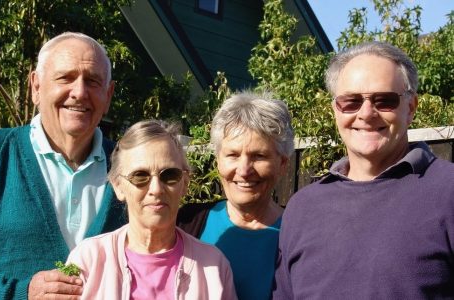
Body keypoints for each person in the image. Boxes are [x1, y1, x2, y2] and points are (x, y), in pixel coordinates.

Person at [273, 41, 454, 299]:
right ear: (335, 109)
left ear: (411, 108)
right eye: (351, 101)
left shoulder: (448, 192)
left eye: (385, 100)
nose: (367, 113)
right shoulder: (303, 207)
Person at [0, 32, 127, 299]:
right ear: (36, 86)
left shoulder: (129, 170)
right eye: (65, 78)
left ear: (108, 95)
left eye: (92, 81)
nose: (79, 92)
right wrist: (22, 293)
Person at [66, 120, 237, 299]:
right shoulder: (89, 261)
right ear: (118, 186)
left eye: (169, 175)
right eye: (140, 176)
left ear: (185, 183)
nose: (156, 189)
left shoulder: (213, 268)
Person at [177, 91, 295, 300]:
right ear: (217, 161)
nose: (244, 169)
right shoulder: (185, 223)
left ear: (283, 164)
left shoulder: (297, 234)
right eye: (232, 154)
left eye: (259, 156)